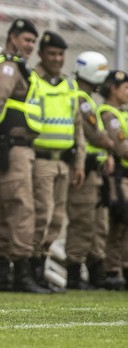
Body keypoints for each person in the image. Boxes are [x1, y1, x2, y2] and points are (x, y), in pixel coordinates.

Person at [0, 18, 50, 294]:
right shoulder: (8, 65)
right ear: (12, 37)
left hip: (14, 147)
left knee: (8, 209)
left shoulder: (16, 66)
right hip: (10, 146)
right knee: (21, 207)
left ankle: (2, 276)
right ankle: (21, 274)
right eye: (26, 39)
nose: (30, 46)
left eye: (33, 41)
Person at [30, 31, 85, 292]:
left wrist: (80, 163)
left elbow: (78, 129)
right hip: (40, 160)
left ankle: (41, 266)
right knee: (42, 215)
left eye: (61, 54)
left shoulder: (70, 86)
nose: (56, 59)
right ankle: (31, 269)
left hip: (64, 162)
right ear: (41, 54)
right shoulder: (31, 80)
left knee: (56, 220)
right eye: (51, 53)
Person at [65, 51, 114, 289]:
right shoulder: (82, 99)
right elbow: (96, 136)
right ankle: (74, 274)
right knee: (82, 222)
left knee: (97, 224)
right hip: (83, 169)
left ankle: (96, 274)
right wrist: (111, 144)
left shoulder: (83, 96)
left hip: (94, 171)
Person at [98, 70, 128, 290]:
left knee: (121, 225)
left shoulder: (122, 113)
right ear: (113, 89)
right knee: (120, 219)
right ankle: (113, 270)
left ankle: (117, 269)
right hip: (118, 175)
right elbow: (122, 147)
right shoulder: (108, 114)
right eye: (125, 88)